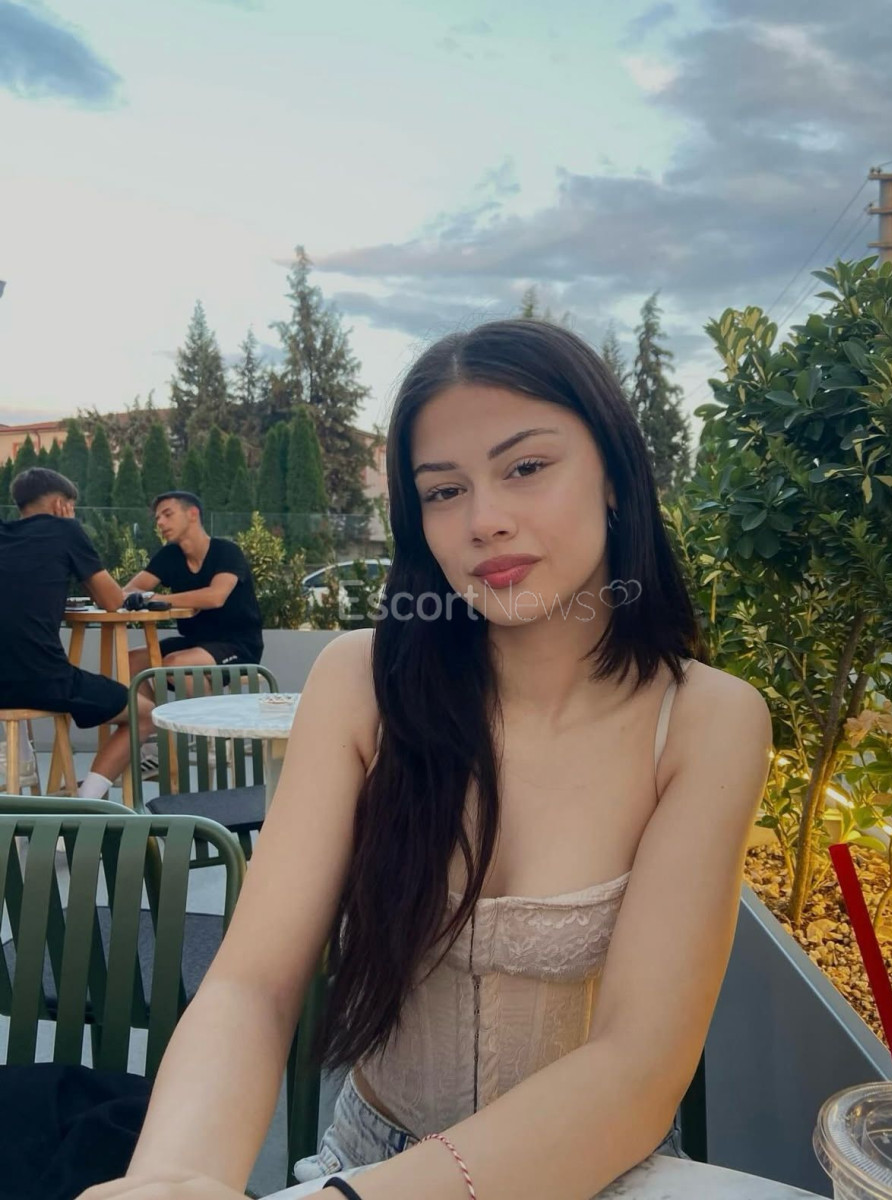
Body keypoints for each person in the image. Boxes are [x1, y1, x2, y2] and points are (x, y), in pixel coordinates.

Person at [83, 321, 771, 1200]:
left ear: (614, 476)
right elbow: (252, 984)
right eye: (444, 491)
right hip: (366, 1160)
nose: (484, 520)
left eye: (526, 467)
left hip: (594, 1174)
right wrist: (173, 1178)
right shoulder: (363, 684)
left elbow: (637, 1066)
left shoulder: (706, 721)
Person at [0, 467, 155, 799]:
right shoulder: (66, 531)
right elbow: (113, 601)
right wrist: (70, 527)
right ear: (62, 505)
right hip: (41, 680)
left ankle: (22, 782)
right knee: (145, 713)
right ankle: (87, 801)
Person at [125, 491, 264, 678]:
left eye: (168, 515)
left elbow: (215, 597)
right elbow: (129, 590)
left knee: (175, 664)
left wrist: (157, 599)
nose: (160, 523)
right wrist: (144, 598)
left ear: (193, 514)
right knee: (131, 660)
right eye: (157, 518)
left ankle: (204, 699)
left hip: (238, 645)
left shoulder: (227, 552)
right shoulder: (170, 555)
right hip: (194, 641)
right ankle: (153, 702)